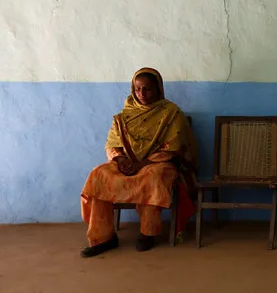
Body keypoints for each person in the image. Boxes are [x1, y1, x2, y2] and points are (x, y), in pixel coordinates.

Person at [80, 67, 198, 257]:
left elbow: (172, 148)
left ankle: (147, 233)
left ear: (158, 89)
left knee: (153, 177)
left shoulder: (171, 113)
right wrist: (120, 159)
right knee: (98, 175)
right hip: (126, 163)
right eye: (137, 89)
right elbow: (112, 145)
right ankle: (103, 238)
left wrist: (142, 164)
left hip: (159, 163)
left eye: (147, 89)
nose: (141, 94)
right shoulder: (124, 115)